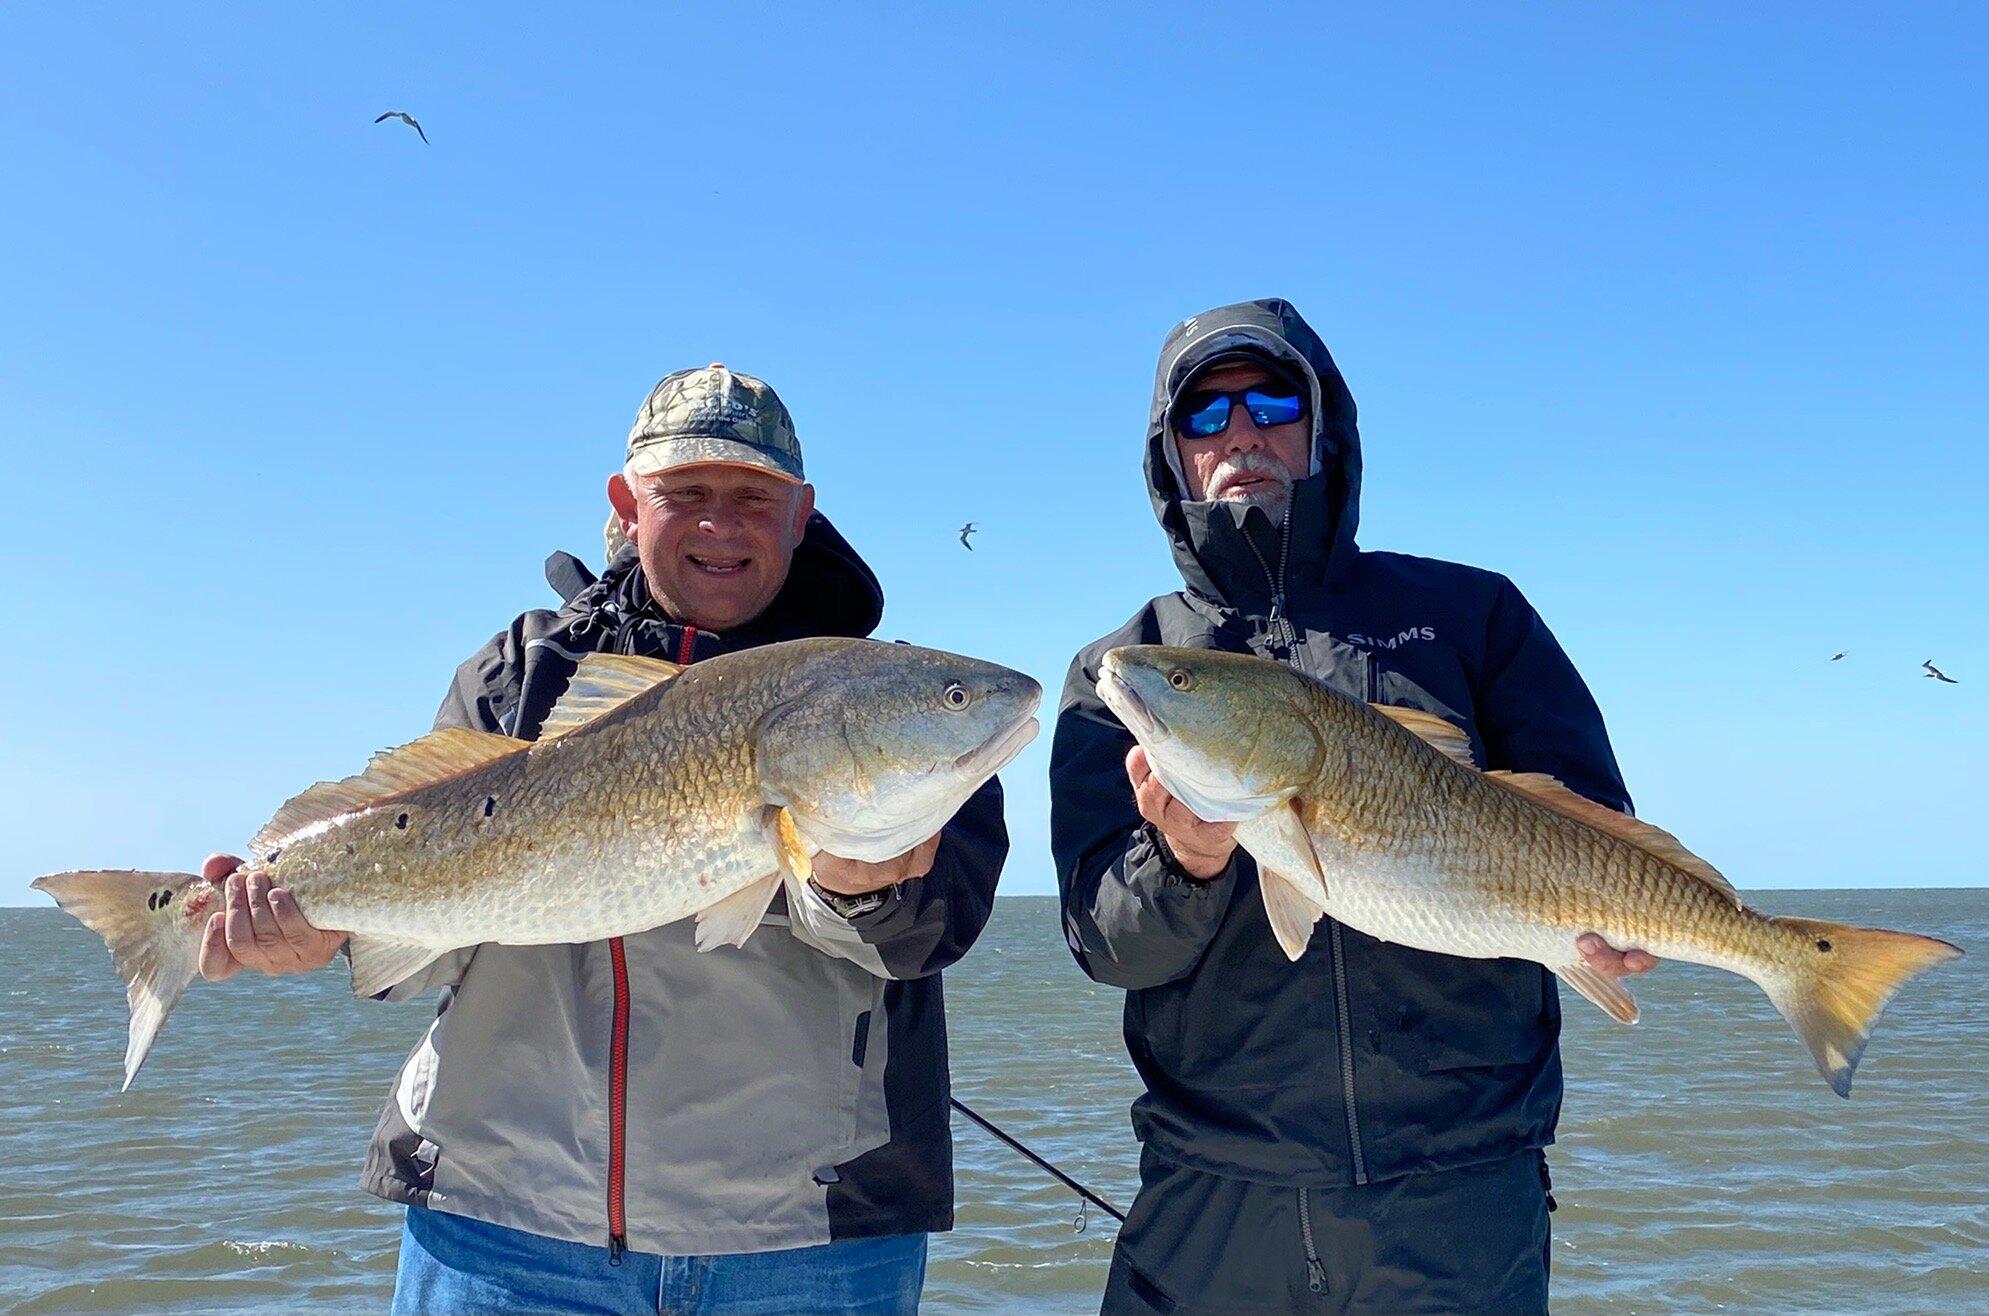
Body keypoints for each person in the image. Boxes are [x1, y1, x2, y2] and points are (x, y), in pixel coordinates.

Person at [200, 364, 1009, 1315]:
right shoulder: (516, 677)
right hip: (501, 1233)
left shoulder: (883, 697)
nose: (721, 523)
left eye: (754, 496)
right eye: (686, 494)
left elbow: (930, 933)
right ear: (628, 504)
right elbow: (424, 951)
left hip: (808, 1246)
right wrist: (316, 928)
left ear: (801, 514)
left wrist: (867, 886)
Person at [1050, 299, 1656, 1314]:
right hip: (1213, 1202)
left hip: (1460, 1196)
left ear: (1322, 423)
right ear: (1170, 460)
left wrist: (1595, 920)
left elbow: (1583, 814)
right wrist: (1185, 863)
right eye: (1202, 417)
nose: (1239, 432)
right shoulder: (1124, 671)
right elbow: (1108, 946)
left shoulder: (1472, 615)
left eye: (1271, 399)